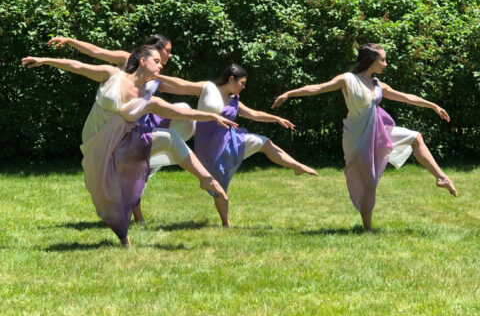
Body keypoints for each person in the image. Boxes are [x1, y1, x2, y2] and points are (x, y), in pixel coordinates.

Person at [21, 46, 237, 246]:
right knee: (105, 193)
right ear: (142, 61)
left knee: (169, 138)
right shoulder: (112, 75)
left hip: (124, 143)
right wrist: (45, 60)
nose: (161, 64)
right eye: (156, 61)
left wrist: (211, 116)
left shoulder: (147, 98)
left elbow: (180, 112)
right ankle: (124, 236)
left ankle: (205, 179)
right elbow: (77, 66)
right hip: (95, 139)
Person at [272, 43, 457, 231]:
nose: (385, 64)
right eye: (382, 60)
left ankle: (441, 177)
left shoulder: (378, 84)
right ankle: (367, 229)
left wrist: (433, 105)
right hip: (357, 137)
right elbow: (318, 88)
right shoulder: (348, 79)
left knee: (416, 137)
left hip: (379, 132)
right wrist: (289, 93)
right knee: (370, 181)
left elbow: (406, 97)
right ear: (371, 61)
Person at [48, 35, 194, 223]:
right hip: (111, 122)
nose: (169, 55)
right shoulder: (127, 59)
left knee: (138, 171)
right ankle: (132, 214)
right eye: (168, 51)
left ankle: (135, 215)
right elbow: (96, 52)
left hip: (135, 124)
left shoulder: (156, 74)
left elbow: (183, 86)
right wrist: (71, 42)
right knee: (127, 172)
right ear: (153, 51)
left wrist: (211, 89)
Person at [156, 64, 317, 227]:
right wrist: (156, 76)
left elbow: (254, 114)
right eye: (242, 83)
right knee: (220, 191)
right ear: (231, 79)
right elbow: (181, 83)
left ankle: (296, 166)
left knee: (265, 143)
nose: (244, 87)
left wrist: (276, 118)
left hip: (232, 142)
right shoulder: (208, 88)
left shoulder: (235, 101)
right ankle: (226, 223)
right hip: (210, 149)